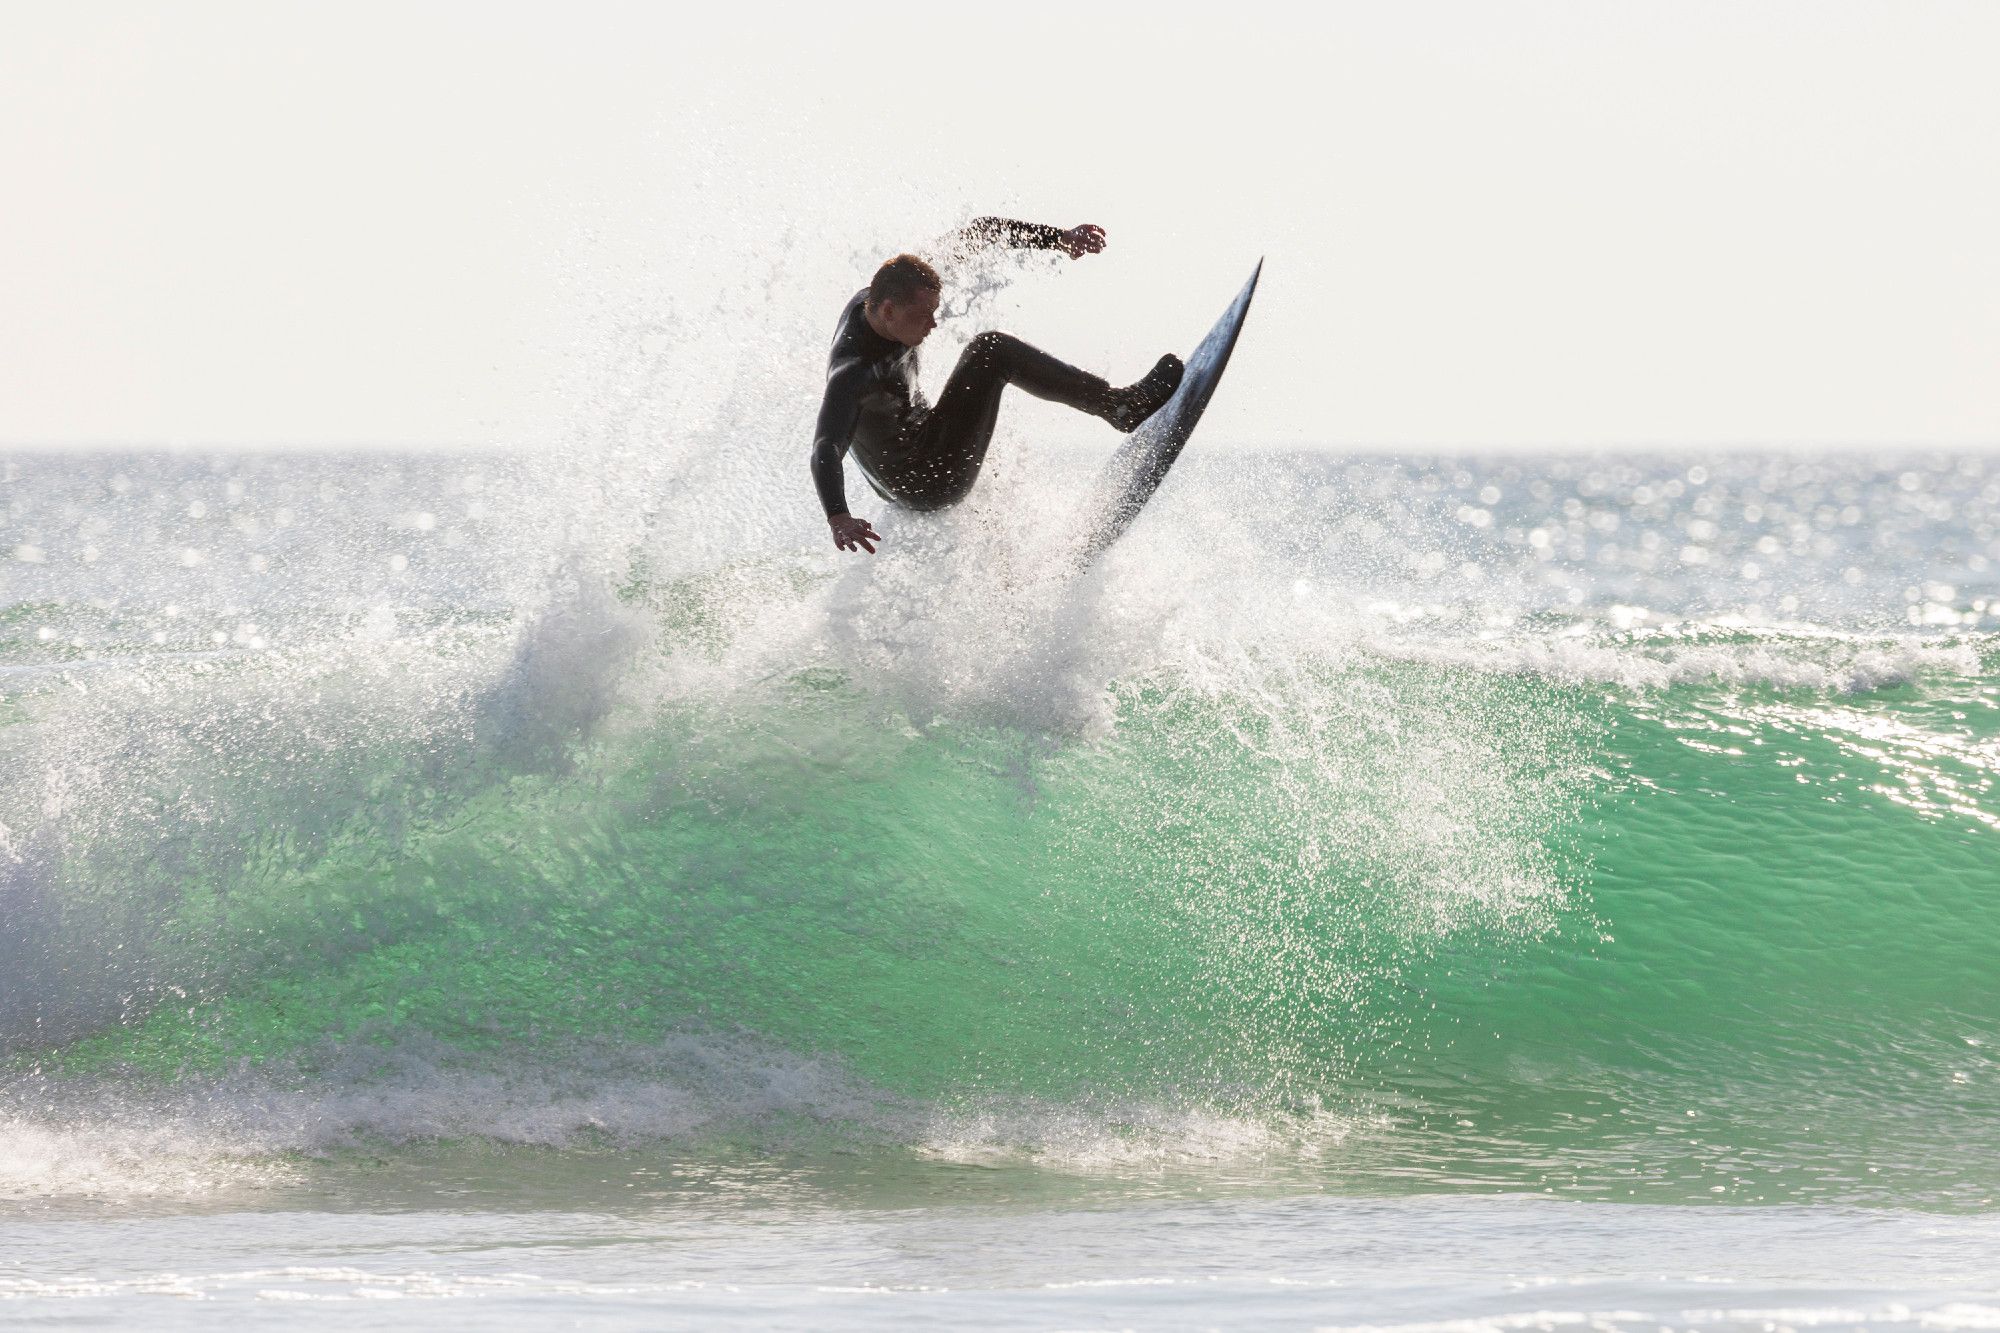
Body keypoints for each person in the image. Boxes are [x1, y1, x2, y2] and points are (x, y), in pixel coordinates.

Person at [810, 218, 1185, 554]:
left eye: (935, 312)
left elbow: (979, 234)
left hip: (924, 441)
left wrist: (1059, 239)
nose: (933, 324)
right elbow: (826, 445)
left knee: (984, 358)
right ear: (889, 310)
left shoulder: (887, 293)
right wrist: (838, 516)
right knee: (992, 351)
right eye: (925, 316)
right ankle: (1119, 407)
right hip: (924, 480)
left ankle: (1010, 566)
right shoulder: (853, 373)